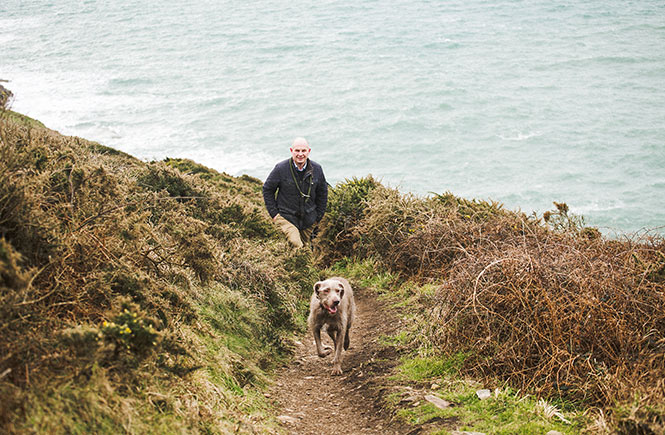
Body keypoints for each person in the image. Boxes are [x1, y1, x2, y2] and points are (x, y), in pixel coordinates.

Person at [263, 137, 328, 248]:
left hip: (309, 220)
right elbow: (267, 189)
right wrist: (274, 214)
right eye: (297, 150)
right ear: (291, 151)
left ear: (309, 151)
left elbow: (323, 194)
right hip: (286, 217)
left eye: (303, 150)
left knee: (307, 249)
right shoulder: (280, 168)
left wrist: (318, 217)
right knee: (296, 244)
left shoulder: (317, 169)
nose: (300, 154)